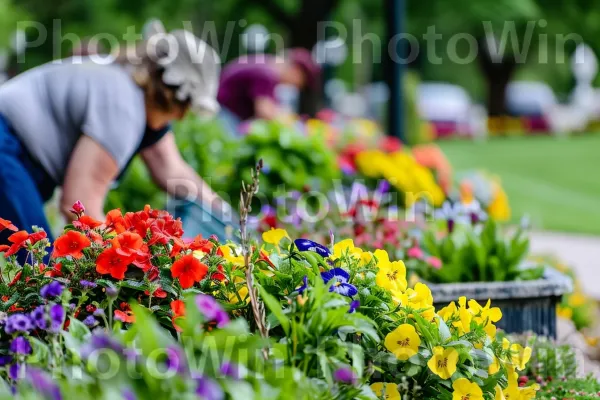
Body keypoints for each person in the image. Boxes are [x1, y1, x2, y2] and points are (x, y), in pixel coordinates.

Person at [0, 21, 228, 251]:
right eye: (187, 107)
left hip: (13, 149)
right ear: (174, 96)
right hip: (6, 147)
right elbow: (80, 205)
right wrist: (132, 260)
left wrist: (227, 216)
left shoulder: (131, 90)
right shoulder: (123, 108)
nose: (182, 117)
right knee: (36, 260)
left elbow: (171, 168)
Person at [216, 48, 321, 130]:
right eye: (299, 83)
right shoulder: (267, 75)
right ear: (296, 70)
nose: (295, 87)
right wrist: (292, 125)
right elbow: (264, 111)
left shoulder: (267, 65)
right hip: (225, 114)